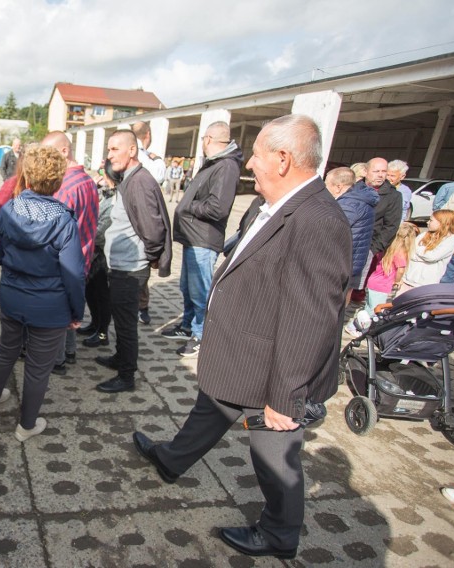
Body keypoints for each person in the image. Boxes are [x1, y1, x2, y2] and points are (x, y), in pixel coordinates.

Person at [133, 114, 351, 559]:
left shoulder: (316, 220)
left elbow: (310, 318)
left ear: (284, 159)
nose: (248, 163)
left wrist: (285, 395)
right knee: (210, 408)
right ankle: (172, 459)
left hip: (273, 371)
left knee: (276, 459)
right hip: (243, 355)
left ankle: (279, 533)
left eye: (255, 154)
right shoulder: (277, 204)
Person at [0, 145, 84, 442]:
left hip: (13, 297)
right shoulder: (64, 221)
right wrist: (77, 312)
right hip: (49, 308)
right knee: (39, 368)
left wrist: (17, 261)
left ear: (25, 176)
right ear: (57, 182)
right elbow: (74, 274)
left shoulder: (8, 211)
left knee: (6, 348)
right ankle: (26, 426)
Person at [95, 129, 172, 394]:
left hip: (130, 269)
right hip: (121, 266)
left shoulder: (139, 181)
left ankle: (126, 376)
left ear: (132, 150)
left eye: (115, 149)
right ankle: (120, 358)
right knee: (121, 319)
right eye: (108, 149)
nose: (109, 155)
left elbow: (154, 230)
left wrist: (146, 259)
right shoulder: (130, 178)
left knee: (127, 325)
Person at [164, 121, 241, 357]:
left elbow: (218, 208)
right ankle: (188, 326)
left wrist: (189, 206)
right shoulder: (214, 164)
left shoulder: (226, 166)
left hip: (203, 240)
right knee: (187, 287)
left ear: (208, 139)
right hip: (192, 237)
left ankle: (201, 334)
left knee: (200, 291)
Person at [42, 131, 99, 374]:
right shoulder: (87, 181)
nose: (45, 161)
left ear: (64, 152)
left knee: (56, 314)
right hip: (83, 258)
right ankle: (70, 352)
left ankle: (57, 361)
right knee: (69, 309)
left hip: (64, 263)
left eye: (49, 154)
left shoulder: (65, 188)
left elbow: (53, 233)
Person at [346, 222, 417, 336]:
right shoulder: (401, 253)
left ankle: (358, 326)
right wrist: (397, 280)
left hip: (373, 281)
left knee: (368, 307)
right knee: (373, 310)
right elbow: (400, 270)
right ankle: (354, 327)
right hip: (382, 286)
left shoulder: (388, 249)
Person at [349, 157, 402, 303]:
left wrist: (374, 249)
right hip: (345, 242)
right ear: (366, 171)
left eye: (384, 171)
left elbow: (391, 226)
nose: (380, 175)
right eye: (376, 171)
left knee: (352, 288)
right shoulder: (353, 188)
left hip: (366, 247)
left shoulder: (393, 196)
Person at [81, 158, 121, 349]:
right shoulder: (106, 193)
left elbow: (101, 231)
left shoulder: (115, 200)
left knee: (102, 295)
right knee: (91, 292)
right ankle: (95, 324)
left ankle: (103, 332)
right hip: (93, 253)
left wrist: (83, 232)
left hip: (103, 254)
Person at [326, 166, 378, 304]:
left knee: (334, 302)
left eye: (327, 184)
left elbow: (331, 231)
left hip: (342, 262)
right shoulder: (360, 200)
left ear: (338, 187)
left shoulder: (349, 205)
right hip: (352, 260)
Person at [131, 121, 165, 325]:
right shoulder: (147, 158)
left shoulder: (137, 155)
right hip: (143, 218)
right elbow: (159, 175)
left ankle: (140, 306)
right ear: (148, 135)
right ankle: (141, 307)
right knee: (141, 263)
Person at [396, 209, 454, 295]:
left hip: (425, 285)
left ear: (443, 223)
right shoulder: (424, 234)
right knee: (398, 306)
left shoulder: (451, 239)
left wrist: (416, 250)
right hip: (407, 280)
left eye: (431, 220)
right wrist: (421, 254)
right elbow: (410, 251)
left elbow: (432, 257)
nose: (427, 222)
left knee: (419, 308)